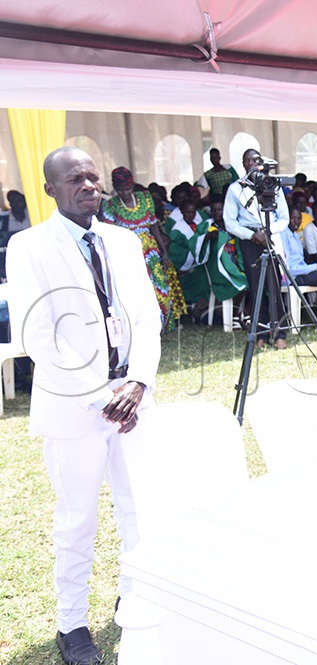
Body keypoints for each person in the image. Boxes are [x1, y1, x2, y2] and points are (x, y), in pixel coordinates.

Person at [6, 147, 161, 665]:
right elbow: (38, 334)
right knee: (78, 518)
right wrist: (103, 396)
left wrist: (137, 383)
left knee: (139, 507)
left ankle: (134, 595)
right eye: (75, 179)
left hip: (132, 400)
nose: (88, 185)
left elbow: (145, 319)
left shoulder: (123, 240)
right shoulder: (28, 245)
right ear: (50, 189)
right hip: (75, 407)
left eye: (93, 176)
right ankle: (71, 623)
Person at [99, 166, 185, 333]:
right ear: (115, 188)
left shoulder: (145, 198)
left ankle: (163, 325)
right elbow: (109, 234)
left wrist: (164, 252)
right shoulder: (110, 205)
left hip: (150, 251)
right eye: (121, 190)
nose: (125, 193)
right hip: (126, 254)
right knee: (135, 290)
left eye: (128, 188)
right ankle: (142, 328)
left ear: (133, 185)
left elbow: (153, 226)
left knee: (159, 286)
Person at [223, 148, 291, 349]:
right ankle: (260, 333)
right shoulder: (236, 189)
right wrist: (253, 235)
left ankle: (280, 333)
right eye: (248, 160)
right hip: (250, 240)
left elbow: (284, 218)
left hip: (270, 238)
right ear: (243, 164)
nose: (253, 163)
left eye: (257, 159)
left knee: (275, 286)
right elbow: (230, 222)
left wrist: (268, 233)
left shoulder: (272, 185)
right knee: (257, 287)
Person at [164, 200, 213, 313]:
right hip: (186, 267)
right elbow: (176, 252)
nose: (191, 215)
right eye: (187, 212)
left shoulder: (199, 224)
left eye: (193, 212)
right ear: (182, 212)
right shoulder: (177, 230)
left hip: (198, 263)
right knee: (200, 278)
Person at [279, 208, 317, 287]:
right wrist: (316, 266)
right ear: (288, 218)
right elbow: (289, 269)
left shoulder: (296, 237)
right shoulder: (283, 236)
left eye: (299, 218)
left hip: (303, 273)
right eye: (293, 218)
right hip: (293, 279)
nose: (296, 221)